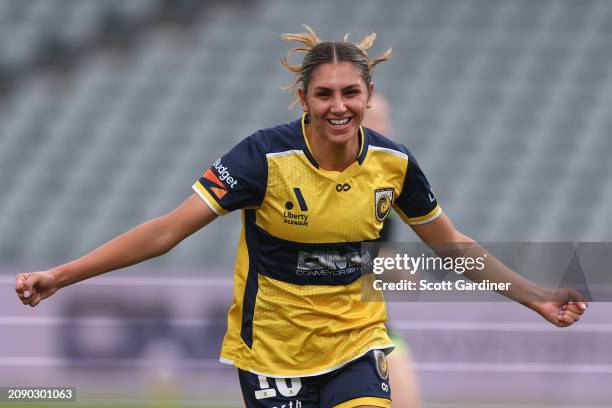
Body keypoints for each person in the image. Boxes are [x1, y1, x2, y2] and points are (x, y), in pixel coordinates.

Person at [15, 25, 587, 408]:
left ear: (368, 95)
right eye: (324, 94)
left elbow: (454, 246)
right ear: (304, 98)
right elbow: (166, 232)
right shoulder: (262, 158)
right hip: (272, 354)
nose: (338, 106)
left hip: (356, 345)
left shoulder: (394, 165)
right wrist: (61, 275)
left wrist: (536, 297)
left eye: (350, 93)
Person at [363, 93, 421, 408]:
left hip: (372, 322)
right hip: (324, 327)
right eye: (374, 120)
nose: (383, 128)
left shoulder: (387, 181)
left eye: (384, 120)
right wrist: (387, 263)